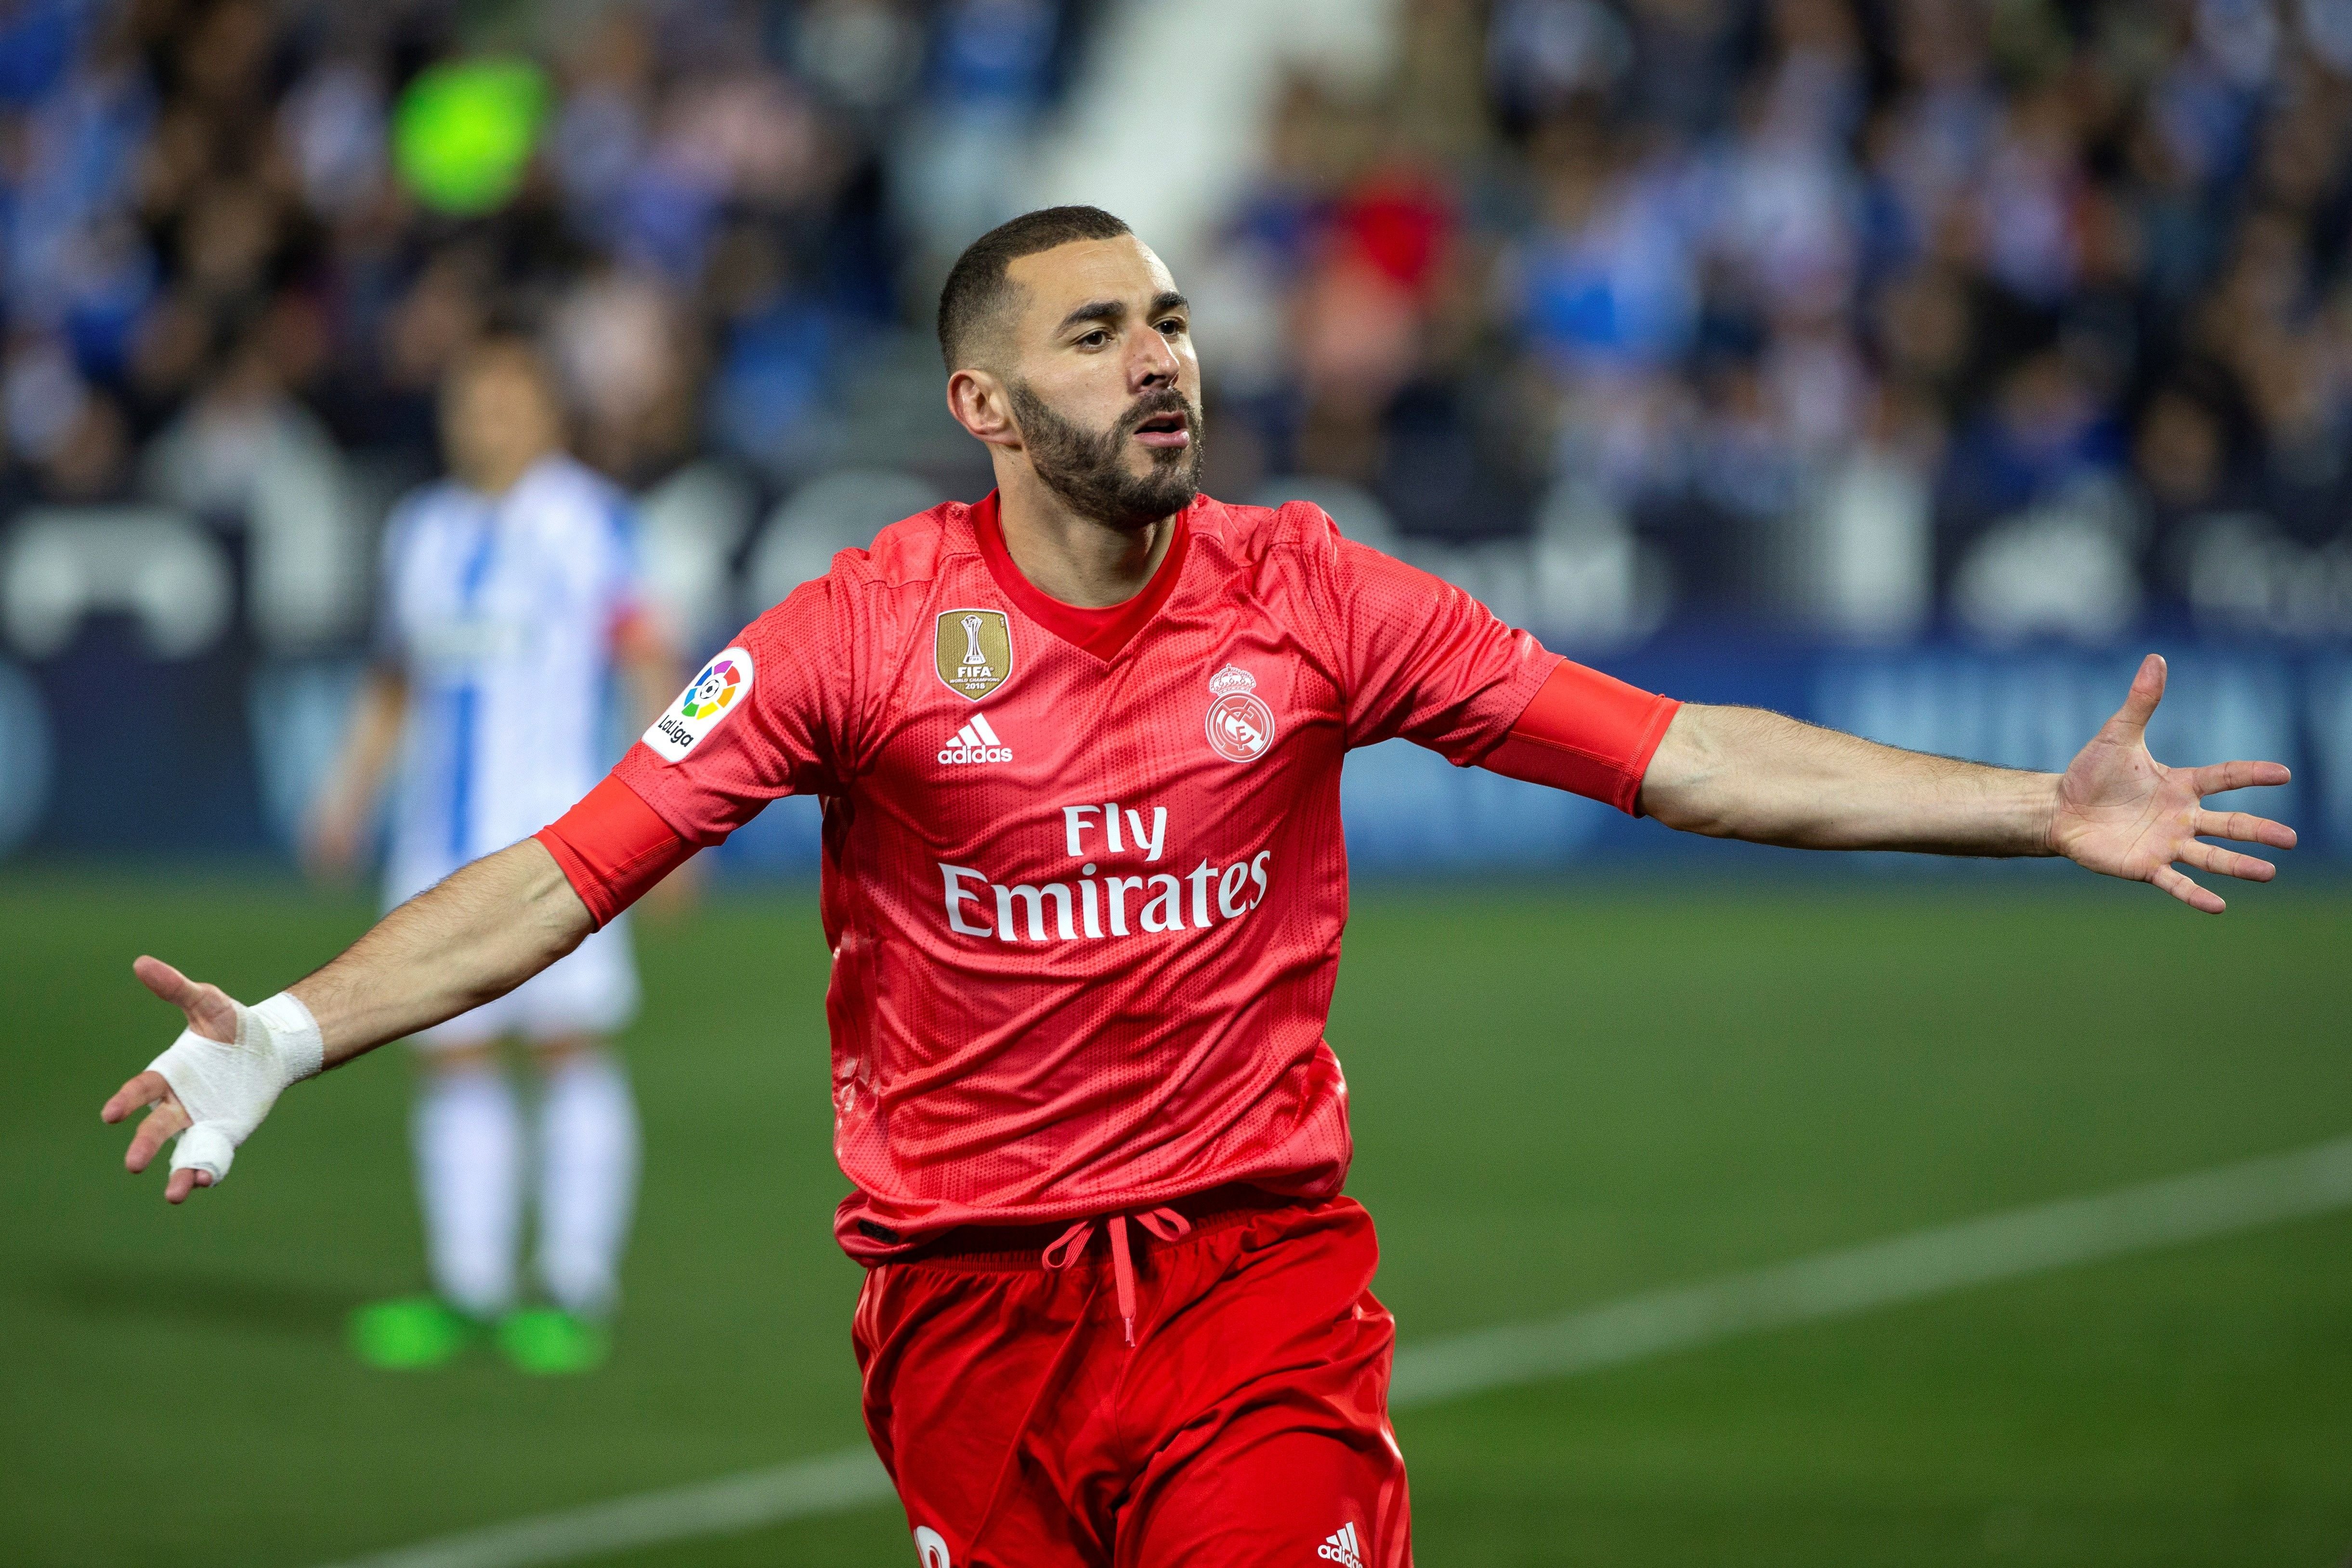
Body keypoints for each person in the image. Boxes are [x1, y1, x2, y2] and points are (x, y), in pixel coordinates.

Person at [105, 208, 2294, 1565]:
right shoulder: (857, 634)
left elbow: (1676, 749)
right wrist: (291, 1032)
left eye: (1163, 316)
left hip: (1248, 1289)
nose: (1157, 355)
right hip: (959, 1323)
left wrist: (2027, 804)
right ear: (978, 399)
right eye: (1091, 333)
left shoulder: (1307, 595)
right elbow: (565, 871)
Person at [300, 330, 679, 1375]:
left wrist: (678, 822)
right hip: (436, 843)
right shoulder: (421, 528)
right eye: (470, 401)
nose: (485, 419)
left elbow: (649, 655)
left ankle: (569, 1285)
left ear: (547, 412)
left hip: (566, 844)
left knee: (568, 1047)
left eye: (507, 400)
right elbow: (392, 679)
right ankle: (467, 1288)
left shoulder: (590, 518)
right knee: (449, 1054)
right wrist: (347, 796)